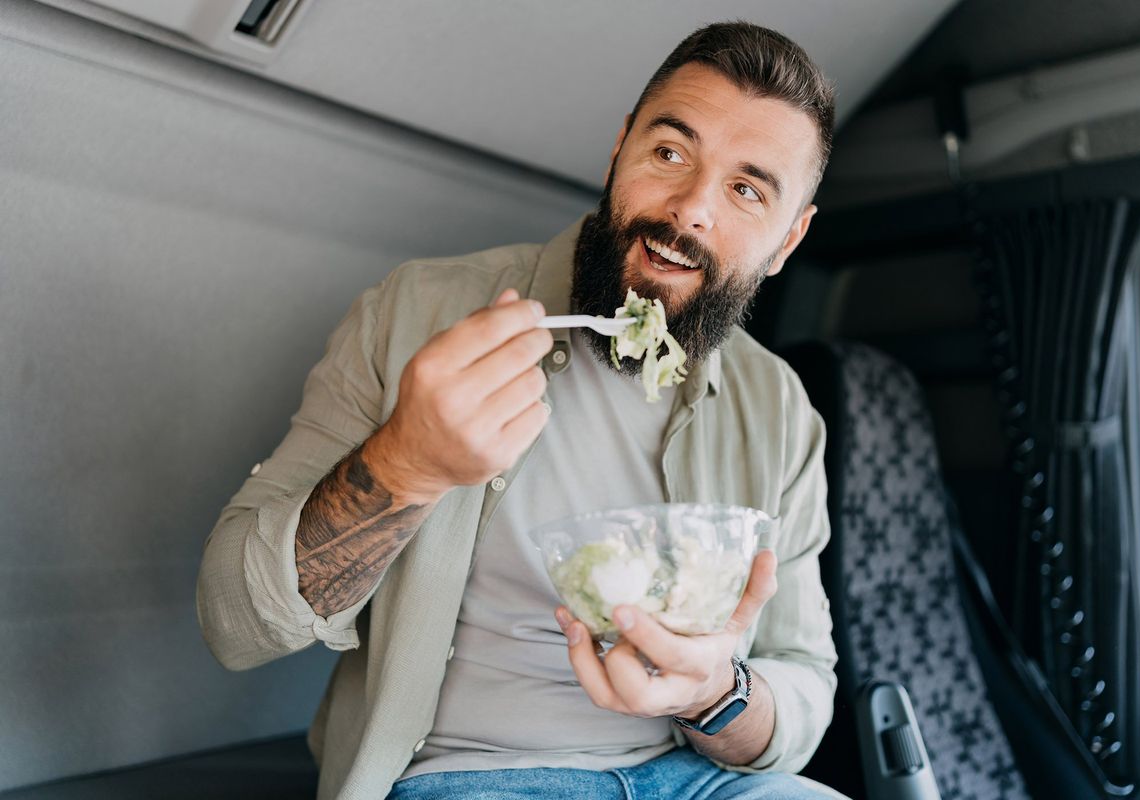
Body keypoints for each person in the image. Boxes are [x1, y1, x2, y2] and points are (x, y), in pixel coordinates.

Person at [198, 20, 843, 800]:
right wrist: (407, 461)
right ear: (618, 153)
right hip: (470, 778)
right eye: (669, 153)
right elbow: (234, 624)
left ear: (788, 241)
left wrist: (717, 692)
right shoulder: (414, 312)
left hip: (700, 779)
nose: (690, 210)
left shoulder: (777, 407)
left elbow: (804, 688)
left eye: (746, 190)